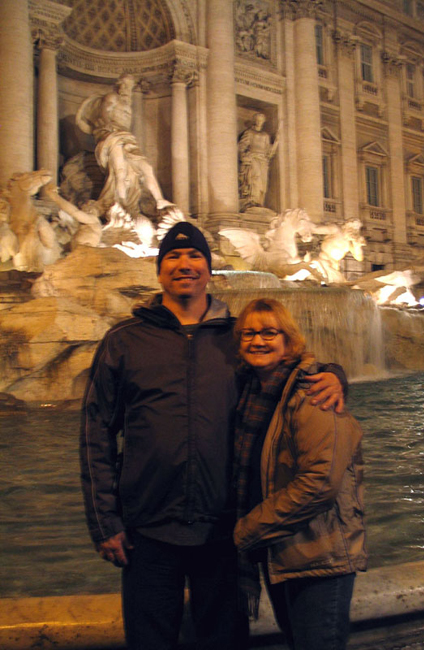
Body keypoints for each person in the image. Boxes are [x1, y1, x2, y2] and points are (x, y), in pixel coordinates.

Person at [80, 222, 347, 650]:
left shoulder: (240, 336)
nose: (184, 265)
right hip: (146, 528)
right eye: (173, 257)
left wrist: (335, 376)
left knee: (226, 641)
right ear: (159, 269)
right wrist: (104, 522)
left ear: (209, 270)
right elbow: (95, 433)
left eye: (194, 257)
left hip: (226, 528)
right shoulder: (124, 341)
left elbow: (292, 370)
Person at [233, 298, 367, 650]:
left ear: (289, 341)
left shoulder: (313, 393)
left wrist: (247, 530)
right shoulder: (250, 391)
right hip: (281, 550)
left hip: (318, 554)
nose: (257, 341)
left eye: (268, 333)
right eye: (248, 334)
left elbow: (320, 483)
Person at [76, 73, 172, 220]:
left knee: (146, 168)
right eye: (125, 85)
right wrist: (107, 129)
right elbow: (105, 114)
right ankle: (121, 204)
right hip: (112, 136)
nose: (127, 88)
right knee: (119, 171)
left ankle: (159, 200)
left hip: (127, 138)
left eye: (130, 86)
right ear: (119, 85)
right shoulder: (112, 97)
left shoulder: (128, 103)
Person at [238, 113, 278, 210]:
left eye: (261, 120)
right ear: (254, 120)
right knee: (254, 178)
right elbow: (241, 146)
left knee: (262, 182)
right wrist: (244, 156)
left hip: (263, 160)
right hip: (253, 158)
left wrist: (277, 142)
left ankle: (259, 201)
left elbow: (269, 151)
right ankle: (251, 201)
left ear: (263, 122)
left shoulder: (265, 136)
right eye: (258, 120)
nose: (259, 122)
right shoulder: (249, 133)